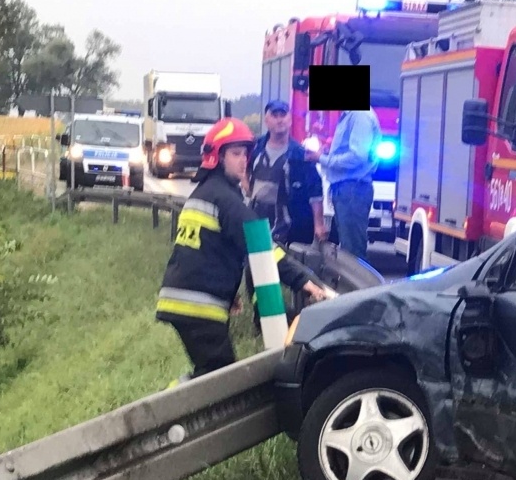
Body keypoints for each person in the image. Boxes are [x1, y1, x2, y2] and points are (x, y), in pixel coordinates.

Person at [154, 117, 270, 379]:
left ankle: (170, 409)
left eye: (246, 154)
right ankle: (166, 413)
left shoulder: (206, 192)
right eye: (236, 153)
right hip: (197, 306)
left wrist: (228, 294)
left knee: (209, 376)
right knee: (219, 382)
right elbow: (263, 247)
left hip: (183, 299)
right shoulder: (225, 199)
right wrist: (306, 282)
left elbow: (208, 254)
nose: (244, 160)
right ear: (217, 157)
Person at [249, 99, 328, 247]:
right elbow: (245, 175)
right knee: (257, 267)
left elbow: (315, 192)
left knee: (286, 269)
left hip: (290, 228)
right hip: (257, 225)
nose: (279, 120)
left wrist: (319, 224)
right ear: (266, 120)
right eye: (274, 115)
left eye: (283, 115)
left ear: (290, 119)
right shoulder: (255, 149)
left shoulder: (301, 155)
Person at [320, 105, 382, 260]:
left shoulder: (359, 115)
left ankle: (360, 285)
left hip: (353, 190)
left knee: (353, 253)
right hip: (348, 190)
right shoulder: (349, 115)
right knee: (348, 249)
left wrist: (322, 158)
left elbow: (357, 156)